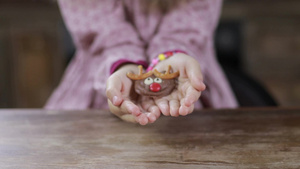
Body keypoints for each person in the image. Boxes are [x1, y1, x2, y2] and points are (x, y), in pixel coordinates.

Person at [45, 0, 238, 125]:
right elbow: (106, 35)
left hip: (186, 93)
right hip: (98, 88)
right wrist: (123, 67)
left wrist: (172, 57)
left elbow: (188, 28)